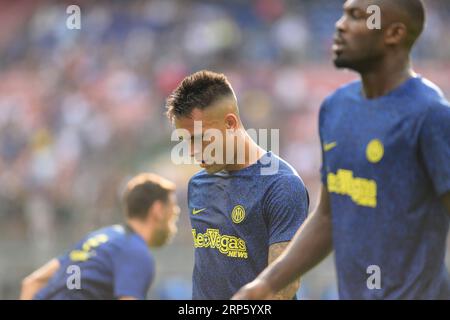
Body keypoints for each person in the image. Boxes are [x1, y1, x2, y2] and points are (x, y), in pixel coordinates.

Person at [233, 0, 450, 300]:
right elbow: (328, 216)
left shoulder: (430, 115)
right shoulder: (335, 108)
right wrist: (266, 284)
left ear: (394, 33)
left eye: (357, 16)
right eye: (344, 13)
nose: (340, 24)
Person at [166, 70, 309, 299]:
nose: (191, 151)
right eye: (185, 140)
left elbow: (283, 287)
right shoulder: (198, 185)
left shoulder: (281, 186)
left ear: (230, 123)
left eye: (199, 137)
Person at [20, 173, 179, 300]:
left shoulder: (97, 238)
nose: (176, 212)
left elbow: (32, 282)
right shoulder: (136, 252)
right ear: (157, 210)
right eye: (173, 207)